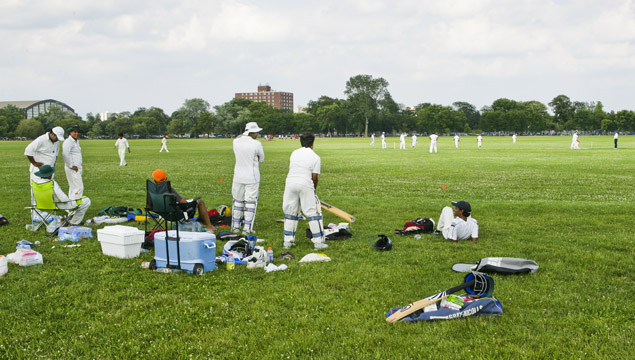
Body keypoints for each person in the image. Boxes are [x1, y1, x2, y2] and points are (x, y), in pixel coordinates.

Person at [282, 133, 327, 250]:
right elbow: (314, 177)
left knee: (291, 212)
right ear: (313, 143)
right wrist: (313, 190)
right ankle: (318, 242)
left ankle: (288, 241)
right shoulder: (315, 157)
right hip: (305, 183)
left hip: (290, 183)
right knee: (312, 213)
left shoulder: (294, 153)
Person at [149, 169, 216, 232]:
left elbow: (148, 206)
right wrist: (183, 199)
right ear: (165, 179)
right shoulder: (169, 189)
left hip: (162, 214)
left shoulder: (152, 191)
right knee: (200, 201)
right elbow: (183, 202)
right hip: (176, 214)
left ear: (155, 180)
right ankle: (209, 226)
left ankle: (199, 221)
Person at [231, 122, 265, 235]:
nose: (258, 134)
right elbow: (262, 158)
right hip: (252, 176)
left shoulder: (236, 141)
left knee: (237, 201)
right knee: (250, 202)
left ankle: (235, 226)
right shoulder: (256, 144)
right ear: (252, 132)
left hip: (238, 175)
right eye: (256, 132)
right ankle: (247, 228)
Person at [62, 125, 83, 200]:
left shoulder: (76, 141)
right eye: (75, 132)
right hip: (73, 168)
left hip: (77, 167)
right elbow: (65, 154)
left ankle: (69, 207)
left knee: (73, 188)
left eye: (78, 132)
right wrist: (71, 165)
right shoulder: (68, 142)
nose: (77, 133)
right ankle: (74, 206)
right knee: (79, 188)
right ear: (70, 132)